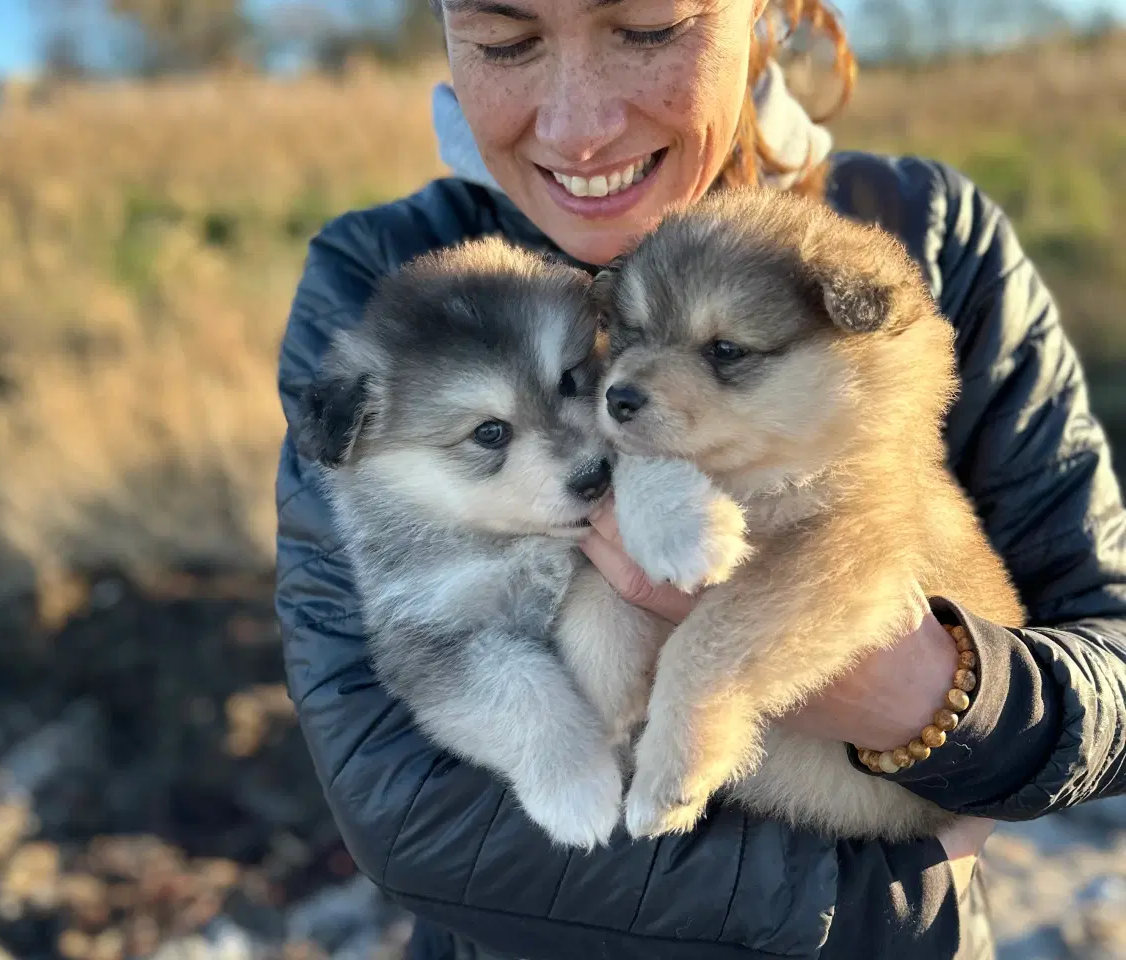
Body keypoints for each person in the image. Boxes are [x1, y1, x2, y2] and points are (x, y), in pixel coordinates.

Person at [273, 1, 1126, 957]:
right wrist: (886, 903)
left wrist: (934, 698)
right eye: (506, 42)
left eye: (645, 28)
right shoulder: (390, 289)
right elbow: (402, 809)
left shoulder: (925, 238)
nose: (578, 125)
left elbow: (1112, 674)